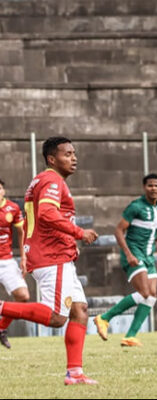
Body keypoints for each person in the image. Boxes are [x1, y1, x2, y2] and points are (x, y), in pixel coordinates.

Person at [0, 136, 99, 385]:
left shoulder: (43, 180)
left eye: (74, 153)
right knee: (56, 317)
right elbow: (46, 213)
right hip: (51, 255)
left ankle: (75, 373)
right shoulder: (52, 180)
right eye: (67, 154)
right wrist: (79, 233)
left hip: (57, 255)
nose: (73, 158)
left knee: (80, 311)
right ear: (51, 159)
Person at [93, 173, 157, 347]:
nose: (153, 188)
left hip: (148, 256)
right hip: (134, 254)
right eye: (150, 185)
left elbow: (154, 232)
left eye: (156, 185)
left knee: (152, 296)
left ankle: (130, 336)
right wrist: (128, 254)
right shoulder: (136, 207)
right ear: (144, 187)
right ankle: (104, 318)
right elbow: (118, 231)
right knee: (144, 293)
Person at [0, 179, 30, 349]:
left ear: (3, 191)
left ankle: (1, 328)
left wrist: (24, 258)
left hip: (6, 261)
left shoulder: (12, 208)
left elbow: (21, 232)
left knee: (23, 296)